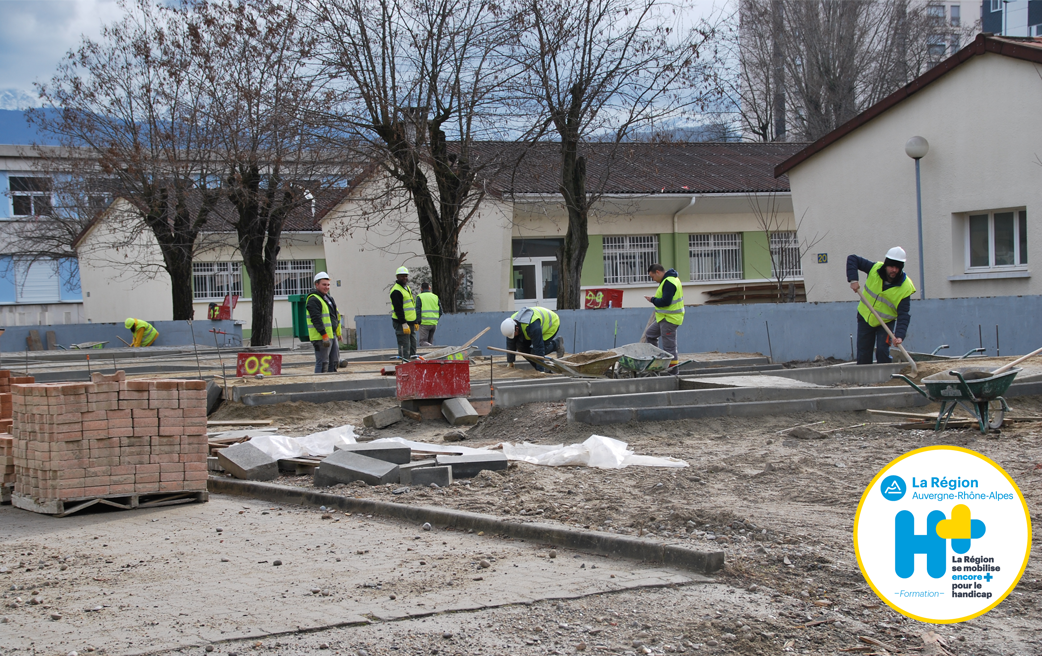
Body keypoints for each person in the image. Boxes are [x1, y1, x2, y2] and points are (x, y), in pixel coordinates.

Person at [847, 247, 916, 365]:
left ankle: (886, 379)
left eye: (897, 267)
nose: (894, 270)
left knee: (883, 351)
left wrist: (899, 335)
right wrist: (853, 279)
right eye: (891, 266)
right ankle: (864, 380)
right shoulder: (874, 269)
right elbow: (852, 259)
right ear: (886, 265)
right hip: (865, 318)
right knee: (864, 352)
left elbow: (903, 314)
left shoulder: (906, 287)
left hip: (886, 323)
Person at [499, 306, 564, 373]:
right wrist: (510, 362)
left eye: (513, 334)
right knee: (522, 349)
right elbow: (511, 343)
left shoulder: (532, 327)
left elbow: (539, 348)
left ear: (517, 328)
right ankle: (543, 368)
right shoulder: (510, 324)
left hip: (551, 324)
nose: (513, 337)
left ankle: (557, 344)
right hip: (531, 327)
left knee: (536, 352)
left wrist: (540, 371)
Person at [642, 263, 684, 365]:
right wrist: (655, 299)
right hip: (664, 318)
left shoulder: (669, 282)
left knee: (669, 347)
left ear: (658, 272)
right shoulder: (670, 279)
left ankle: (672, 372)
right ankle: (656, 361)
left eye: (653, 277)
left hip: (670, 318)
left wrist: (653, 299)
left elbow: (666, 302)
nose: (653, 280)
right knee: (650, 334)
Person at [307, 271, 342, 373]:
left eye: (328, 285)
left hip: (332, 335)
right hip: (321, 337)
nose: (327, 287)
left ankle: (331, 382)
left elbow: (335, 316)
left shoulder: (328, 298)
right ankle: (320, 384)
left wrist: (338, 333)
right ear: (316, 284)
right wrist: (324, 334)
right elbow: (316, 319)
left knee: (334, 361)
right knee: (323, 362)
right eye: (324, 285)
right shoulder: (313, 299)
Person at [390, 266, 420, 360]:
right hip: (401, 322)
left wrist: (415, 321)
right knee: (404, 345)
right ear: (397, 277)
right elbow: (398, 309)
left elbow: (411, 305)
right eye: (402, 276)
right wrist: (403, 323)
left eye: (406, 276)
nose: (404, 278)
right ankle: (405, 363)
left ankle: (412, 361)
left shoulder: (406, 288)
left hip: (410, 322)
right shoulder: (396, 291)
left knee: (412, 344)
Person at [417, 282, 441, 347]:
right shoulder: (435, 297)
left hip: (424, 323)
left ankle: (433, 347)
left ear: (421, 289)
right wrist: (435, 319)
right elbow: (440, 311)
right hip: (434, 324)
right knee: (429, 341)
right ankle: (430, 354)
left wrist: (418, 321)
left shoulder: (420, 297)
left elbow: (418, 310)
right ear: (429, 288)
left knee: (423, 342)